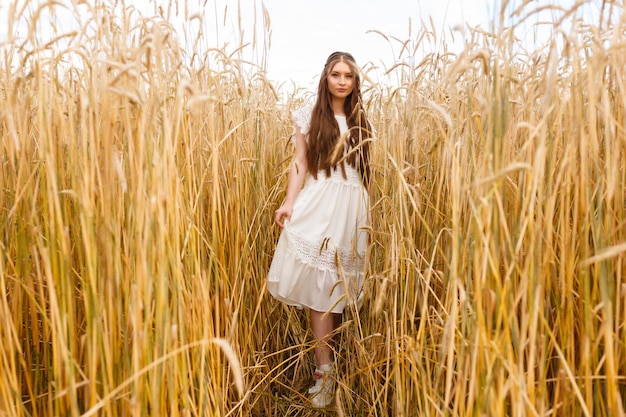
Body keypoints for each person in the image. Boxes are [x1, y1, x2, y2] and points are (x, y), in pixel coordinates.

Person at [267, 51, 373, 408]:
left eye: (349, 76)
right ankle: (324, 373)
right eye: (336, 74)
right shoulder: (309, 116)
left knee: (339, 289)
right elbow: (300, 163)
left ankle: (336, 366)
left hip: (352, 205)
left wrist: (368, 217)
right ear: (326, 77)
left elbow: (363, 170)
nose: (342, 81)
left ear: (355, 82)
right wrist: (288, 202)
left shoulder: (361, 119)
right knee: (319, 290)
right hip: (320, 203)